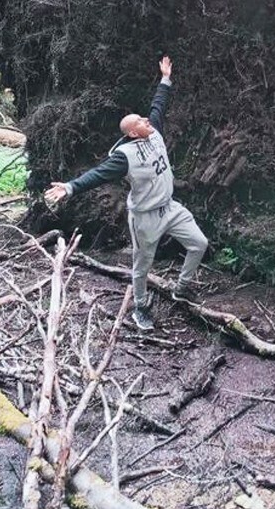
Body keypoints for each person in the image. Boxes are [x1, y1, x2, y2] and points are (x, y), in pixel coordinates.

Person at [44, 55, 208, 331]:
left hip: (170, 208)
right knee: (142, 265)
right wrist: (70, 187)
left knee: (199, 243)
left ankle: (182, 288)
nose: (147, 120)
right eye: (141, 122)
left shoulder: (153, 132)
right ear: (133, 133)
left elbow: (158, 106)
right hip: (145, 217)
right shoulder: (124, 156)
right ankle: (140, 308)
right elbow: (98, 174)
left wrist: (165, 79)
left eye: (145, 119)